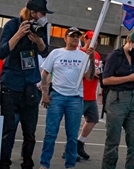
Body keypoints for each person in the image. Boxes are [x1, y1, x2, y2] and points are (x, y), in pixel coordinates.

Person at [0, 0, 51, 169]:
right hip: (11, 82)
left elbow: (45, 52)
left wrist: (40, 42)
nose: (43, 17)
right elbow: (2, 52)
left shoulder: (41, 28)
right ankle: (4, 161)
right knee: (8, 129)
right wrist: (19, 34)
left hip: (30, 84)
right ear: (32, 13)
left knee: (30, 130)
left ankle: (27, 161)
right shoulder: (12, 25)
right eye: (41, 14)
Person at [39, 27, 95, 169]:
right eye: (72, 36)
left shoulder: (83, 56)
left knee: (72, 136)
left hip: (75, 99)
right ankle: (44, 164)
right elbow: (45, 73)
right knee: (50, 133)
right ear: (65, 38)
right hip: (57, 96)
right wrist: (45, 93)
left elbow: (89, 77)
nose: (75, 39)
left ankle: (70, 165)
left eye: (77, 36)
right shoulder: (56, 53)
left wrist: (92, 59)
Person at [101, 31, 134, 169]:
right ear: (129, 41)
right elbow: (106, 79)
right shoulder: (115, 55)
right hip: (117, 98)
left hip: (133, 98)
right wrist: (128, 78)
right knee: (113, 140)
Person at [75, 31, 102, 161]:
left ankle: (79, 143)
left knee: (93, 119)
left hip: (92, 95)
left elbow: (98, 69)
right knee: (74, 123)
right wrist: (90, 71)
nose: (95, 42)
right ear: (85, 39)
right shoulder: (79, 52)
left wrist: (98, 73)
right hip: (80, 94)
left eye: (97, 40)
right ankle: (70, 149)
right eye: (92, 39)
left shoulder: (97, 55)